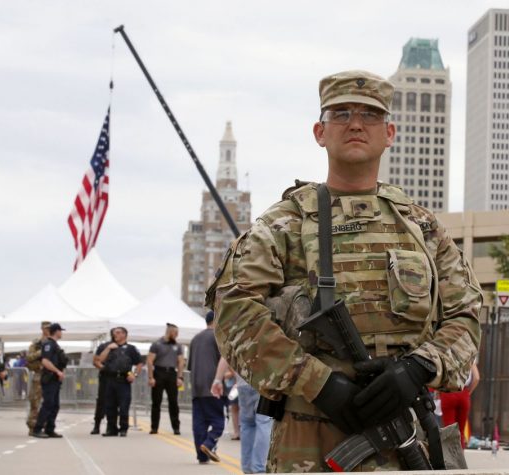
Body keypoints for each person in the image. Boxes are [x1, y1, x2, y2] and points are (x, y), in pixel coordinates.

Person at [207, 70, 483, 472]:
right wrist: (317, 383)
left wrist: (419, 367)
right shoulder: (284, 225)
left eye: (370, 115)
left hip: (406, 432)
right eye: (341, 114)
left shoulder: (421, 227)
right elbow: (233, 313)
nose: (355, 123)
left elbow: (467, 316)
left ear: (390, 133)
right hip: (310, 440)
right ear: (320, 132)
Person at [212, 363, 272, 474]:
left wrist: (217, 380)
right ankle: (259, 467)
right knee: (264, 422)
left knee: (247, 424)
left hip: (243, 383)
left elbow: (225, 356)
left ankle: (247, 467)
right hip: (264, 381)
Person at [189, 311, 226, 464]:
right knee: (218, 421)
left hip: (196, 387)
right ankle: (209, 443)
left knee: (199, 422)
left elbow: (190, 365)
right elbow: (224, 360)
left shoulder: (195, 338)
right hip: (213, 385)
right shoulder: (218, 337)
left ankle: (202, 455)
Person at [98, 326, 142, 437]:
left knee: (123, 406)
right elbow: (100, 360)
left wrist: (134, 374)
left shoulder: (131, 348)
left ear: (124, 334)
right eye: (114, 333)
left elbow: (139, 364)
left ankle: (123, 428)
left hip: (123, 380)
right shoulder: (109, 347)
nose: (115, 335)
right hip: (110, 379)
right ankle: (111, 429)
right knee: (110, 406)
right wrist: (108, 348)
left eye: (117, 333)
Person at [147, 323, 186, 435]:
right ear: (169, 332)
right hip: (159, 372)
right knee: (156, 402)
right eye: (175, 333)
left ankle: (176, 427)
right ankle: (154, 427)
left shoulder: (178, 346)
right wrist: (151, 377)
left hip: (171, 374)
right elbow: (149, 361)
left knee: (173, 402)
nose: (177, 335)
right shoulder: (157, 344)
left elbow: (181, 362)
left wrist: (180, 377)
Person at [32, 323, 67, 438]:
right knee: (48, 404)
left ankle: (49, 429)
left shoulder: (54, 345)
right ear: (56, 331)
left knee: (55, 405)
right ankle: (37, 429)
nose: (61, 333)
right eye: (60, 331)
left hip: (55, 379)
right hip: (50, 378)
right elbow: (45, 361)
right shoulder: (49, 344)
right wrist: (57, 371)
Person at [440, 361, 480, 448]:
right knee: (460, 430)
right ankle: (460, 457)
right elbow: (476, 378)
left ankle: (450, 458)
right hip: (463, 392)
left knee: (449, 430)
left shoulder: (446, 351)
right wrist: (468, 392)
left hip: (448, 391)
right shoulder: (470, 353)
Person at [25, 321, 51, 435]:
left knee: (48, 402)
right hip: (39, 375)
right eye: (46, 328)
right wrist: (41, 352)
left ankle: (45, 425)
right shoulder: (36, 344)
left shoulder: (53, 343)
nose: (47, 330)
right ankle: (33, 426)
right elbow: (29, 357)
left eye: (49, 328)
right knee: (35, 402)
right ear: (42, 329)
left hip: (50, 375)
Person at [91, 329, 115, 435]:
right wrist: (104, 368)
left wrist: (131, 375)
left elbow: (130, 365)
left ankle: (112, 427)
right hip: (106, 377)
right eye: (116, 333)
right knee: (101, 401)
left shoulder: (125, 348)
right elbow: (96, 361)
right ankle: (97, 426)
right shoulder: (103, 346)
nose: (118, 335)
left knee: (116, 403)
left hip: (119, 378)